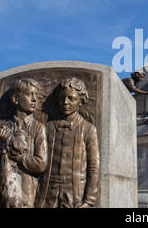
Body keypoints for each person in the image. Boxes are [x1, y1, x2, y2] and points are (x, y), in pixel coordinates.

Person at [0, 78, 47, 208]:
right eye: (30, 94)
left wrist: (18, 156)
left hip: (23, 193)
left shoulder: (38, 128)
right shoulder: (0, 128)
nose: (34, 99)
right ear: (15, 99)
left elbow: (41, 164)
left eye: (36, 95)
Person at [36, 77, 100, 208]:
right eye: (62, 98)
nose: (65, 102)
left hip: (75, 192)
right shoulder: (47, 127)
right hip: (47, 192)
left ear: (81, 101)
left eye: (72, 98)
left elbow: (93, 167)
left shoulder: (88, 129)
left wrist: (89, 200)